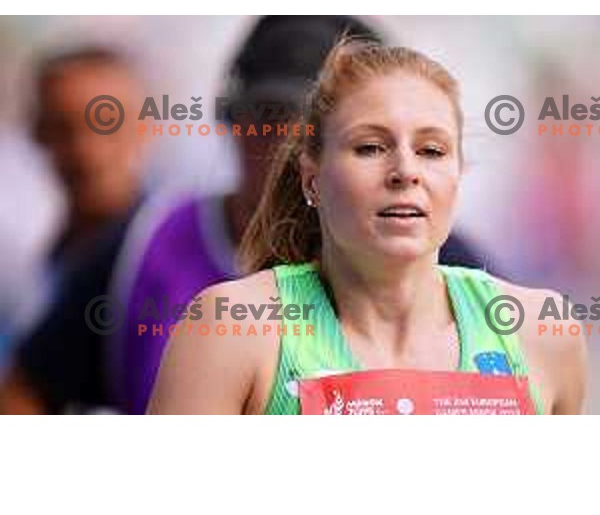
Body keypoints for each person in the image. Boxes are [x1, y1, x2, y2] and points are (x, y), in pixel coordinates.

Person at [148, 39, 587, 415]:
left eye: (432, 150)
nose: (405, 171)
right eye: (371, 147)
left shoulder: (539, 330)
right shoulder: (232, 328)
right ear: (312, 178)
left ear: (459, 174)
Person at [0, 46, 145, 414]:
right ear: (37, 133)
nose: (87, 152)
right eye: (65, 127)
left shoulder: (161, 261)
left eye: (107, 125)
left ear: (145, 128)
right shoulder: (25, 267)